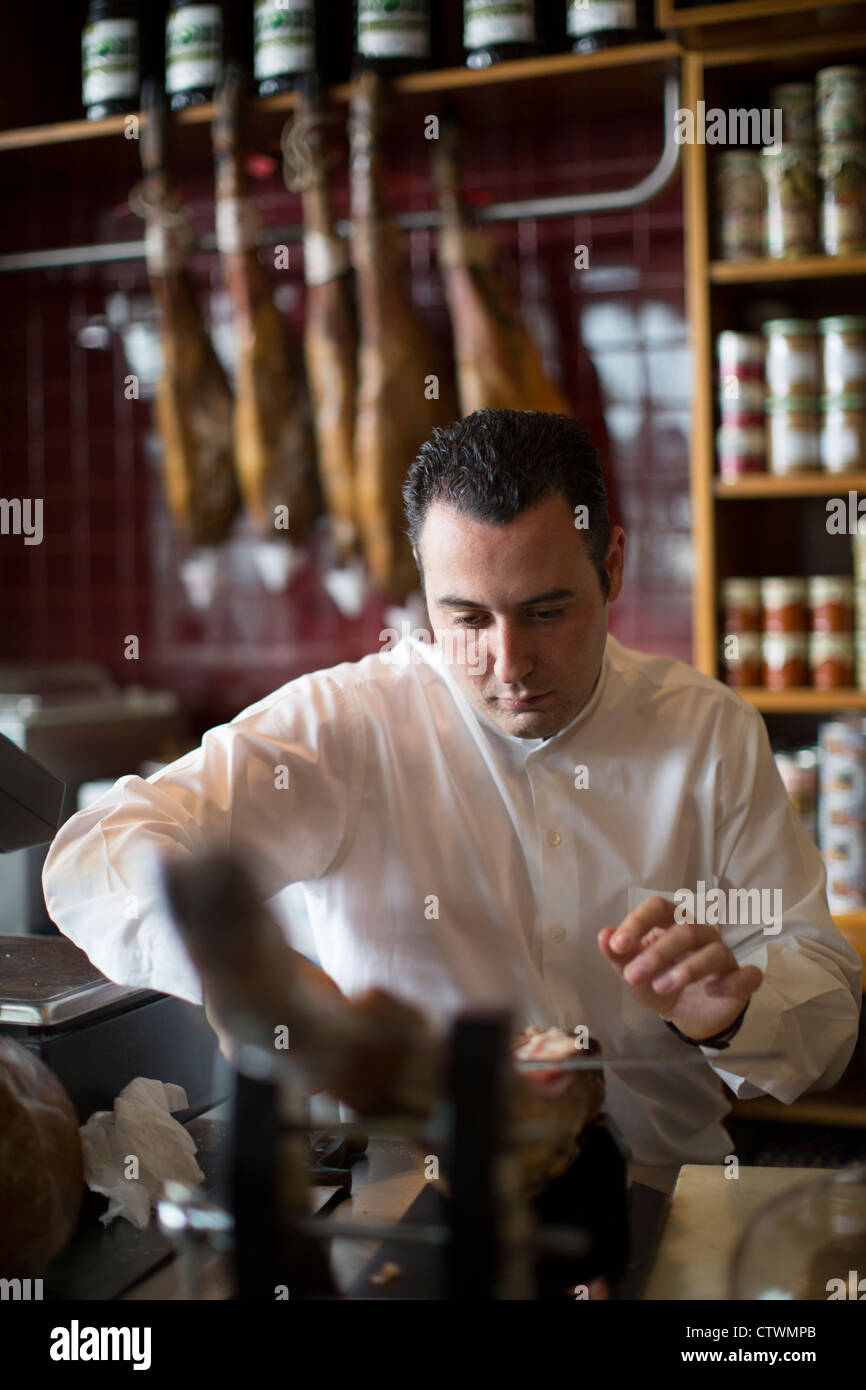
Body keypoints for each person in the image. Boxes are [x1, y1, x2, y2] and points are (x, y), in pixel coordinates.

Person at [42, 409, 862, 1178]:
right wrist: (259, 978)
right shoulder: (344, 725)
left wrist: (729, 1015)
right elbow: (93, 852)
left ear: (611, 565)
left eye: (546, 612)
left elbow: (824, 1003)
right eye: (466, 619)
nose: (509, 664)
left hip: (665, 1190)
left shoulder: (708, 732)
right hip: (411, 1201)